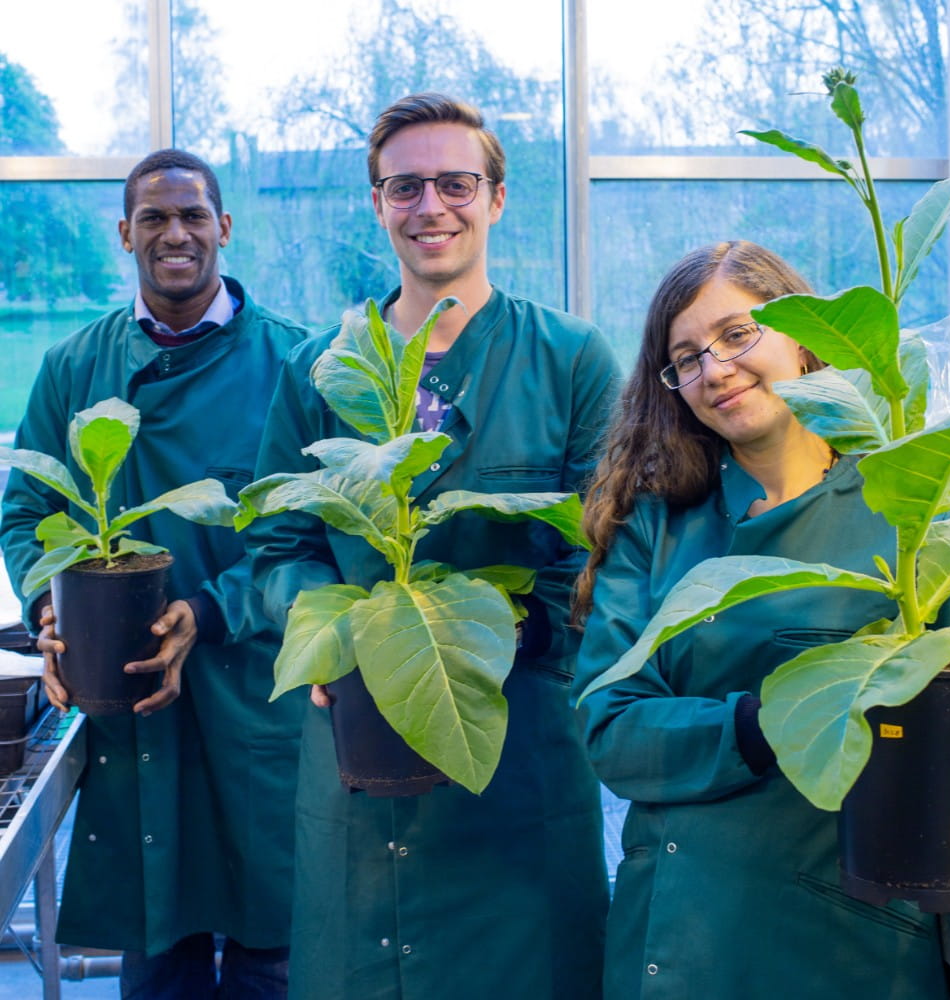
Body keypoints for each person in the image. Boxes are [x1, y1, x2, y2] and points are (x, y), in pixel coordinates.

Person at [247, 93, 617, 999]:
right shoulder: (323, 367)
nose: (431, 206)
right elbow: (275, 547)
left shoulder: (569, 358)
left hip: (519, 744)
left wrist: (505, 636)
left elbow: (609, 551)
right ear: (377, 205)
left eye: (456, 182)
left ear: (496, 198)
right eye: (404, 186)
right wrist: (335, 636)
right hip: (356, 750)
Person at [571, 240, 950, 1000]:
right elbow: (609, 727)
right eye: (687, 359)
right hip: (680, 937)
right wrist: (768, 722)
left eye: (737, 334)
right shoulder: (656, 526)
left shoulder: (910, 510)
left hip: (851, 942)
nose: (715, 368)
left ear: (805, 336)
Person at [0, 149, 310, 999]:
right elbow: (26, 513)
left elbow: (307, 537)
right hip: (132, 697)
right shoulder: (75, 366)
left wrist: (207, 614)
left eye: (193, 216)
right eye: (154, 219)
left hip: (256, 690)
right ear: (125, 234)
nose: (175, 234)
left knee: (270, 948)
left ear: (225, 229)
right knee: (159, 945)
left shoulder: (294, 359)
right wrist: (48, 603)